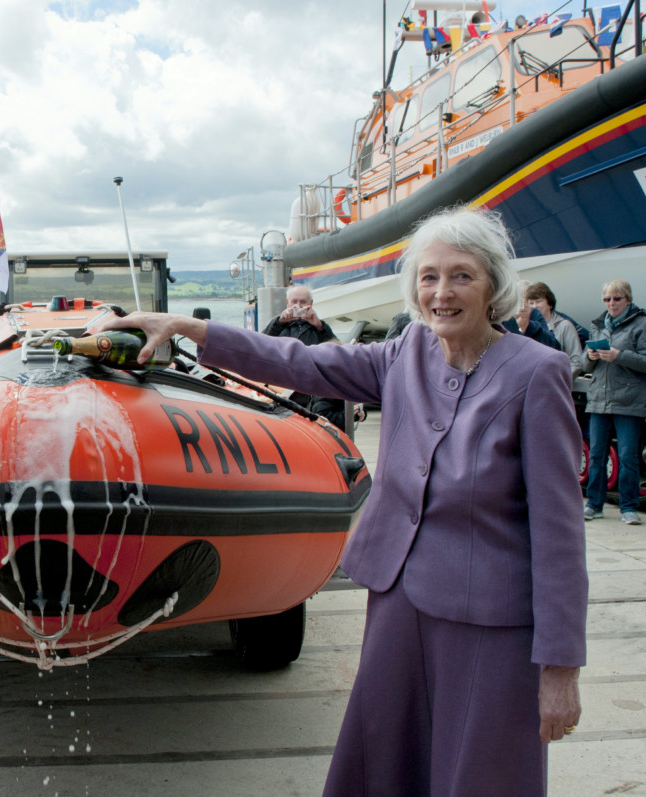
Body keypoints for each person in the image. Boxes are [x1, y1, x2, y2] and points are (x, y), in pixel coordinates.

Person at [92, 206, 586, 795]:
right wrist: (187, 328)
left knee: (481, 771)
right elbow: (296, 361)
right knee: (388, 759)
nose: (442, 292)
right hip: (400, 602)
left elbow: (559, 533)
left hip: (491, 622)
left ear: (493, 287)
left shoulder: (537, 373)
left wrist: (560, 668)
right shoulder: (405, 354)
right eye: (428, 277)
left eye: (461, 276)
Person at [582, 279, 646, 525]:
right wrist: (590, 356)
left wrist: (620, 356)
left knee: (628, 456)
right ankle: (594, 505)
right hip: (600, 399)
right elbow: (587, 365)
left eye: (617, 298)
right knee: (597, 455)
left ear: (627, 300)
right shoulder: (598, 326)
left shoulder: (641, 324)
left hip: (628, 401)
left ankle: (628, 507)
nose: (611, 303)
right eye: (607, 299)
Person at [263, 285, 347, 430]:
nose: (298, 306)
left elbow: (336, 350)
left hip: (309, 391)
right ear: (287, 303)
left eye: (303, 302)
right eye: (294, 302)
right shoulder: (279, 325)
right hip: (281, 390)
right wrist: (279, 322)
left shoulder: (320, 327)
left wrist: (320, 326)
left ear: (311, 304)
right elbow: (261, 343)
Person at [526, 281, 584, 377]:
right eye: (531, 303)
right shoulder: (525, 328)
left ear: (550, 303)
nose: (535, 306)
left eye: (538, 301)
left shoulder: (565, 326)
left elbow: (576, 362)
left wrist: (559, 380)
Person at [502, 279, 562, 350]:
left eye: (524, 300)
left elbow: (554, 346)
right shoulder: (499, 318)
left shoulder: (534, 313)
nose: (522, 305)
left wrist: (527, 325)